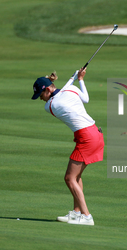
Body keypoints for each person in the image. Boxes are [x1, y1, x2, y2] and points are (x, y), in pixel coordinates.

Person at [31, 67, 104, 226]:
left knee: (69, 178)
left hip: (86, 137)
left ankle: (86, 216)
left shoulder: (51, 106)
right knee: (76, 177)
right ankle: (77, 213)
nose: (41, 99)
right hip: (95, 133)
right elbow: (85, 98)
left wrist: (73, 78)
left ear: (48, 90)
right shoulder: (70, 90)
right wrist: (80, 80)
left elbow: (60, 93)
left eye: (41, 95)